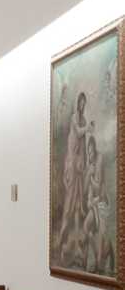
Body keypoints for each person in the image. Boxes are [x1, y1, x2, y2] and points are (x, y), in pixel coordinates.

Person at [58, 91, 93, 265]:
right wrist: (87, 128)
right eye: (80, 103)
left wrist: (85, 163)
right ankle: (63, 238)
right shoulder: (74, 118)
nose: (81, 106)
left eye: (83, 104)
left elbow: (84, 141)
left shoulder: (85, 121)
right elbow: (79, 133)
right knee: (69, 205)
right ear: (77, 103)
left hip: (79, 165)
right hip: (72, 165)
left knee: (79, 205)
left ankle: (78, 243)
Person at [83, 135, 115, 275]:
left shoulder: (100, 159)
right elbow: (85, 190)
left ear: (94, 149)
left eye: (91, 151)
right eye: (88, 152)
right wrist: (88, 174)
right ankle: (98, 256)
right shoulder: (90, 164)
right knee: (86, 227)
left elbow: (98, 185)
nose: (89, 154)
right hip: (94, 203)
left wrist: (90, 176)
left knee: (102, 235)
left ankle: (106, 254)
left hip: (102, 202)